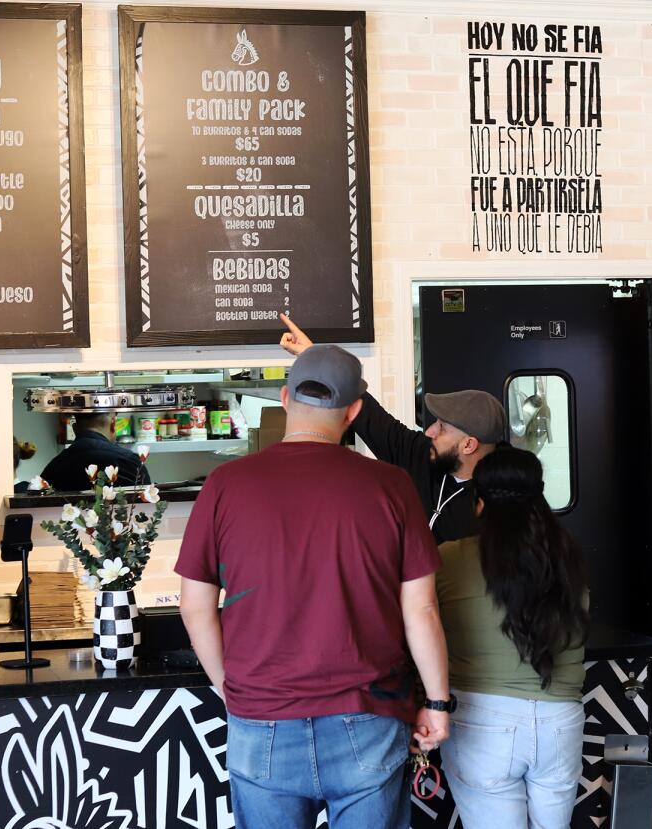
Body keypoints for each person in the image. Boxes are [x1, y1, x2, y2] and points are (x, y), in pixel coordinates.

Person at [175, 344, 452, 829]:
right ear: (354, 411)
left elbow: (195, 606)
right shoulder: (392, 485)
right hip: (368, 717)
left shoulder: (225, 484)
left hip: (261, 718)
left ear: (284, 398)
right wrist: (437, 702)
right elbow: (421, 610)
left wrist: (229, 687)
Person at [436, 447, 590, 829]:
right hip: (561, 719)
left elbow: (421, 630)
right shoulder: (568, 557)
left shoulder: (449, 559)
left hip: (482, 720)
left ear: (479, 503)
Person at [279, 313, 505, 543]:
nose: (429, 432)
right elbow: (375, 421)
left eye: (442, 428)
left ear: (468, 445)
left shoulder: (500, 507)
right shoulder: (423, 455)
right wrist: (314, 360)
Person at [39, 412, 150, 491]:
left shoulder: (54, 467)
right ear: (113, 425)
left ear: (74, 428)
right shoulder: (131, 462)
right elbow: (149, 506)